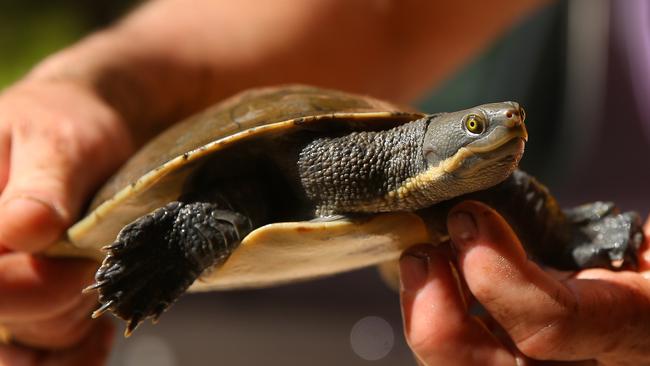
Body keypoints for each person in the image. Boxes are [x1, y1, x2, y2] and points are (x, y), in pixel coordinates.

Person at [0, 1, 648, 365]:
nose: (508, 125)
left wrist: (561, 233)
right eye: (479, 125)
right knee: (224, 213)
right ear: (433, 137)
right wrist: (98, 86)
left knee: (512, 199)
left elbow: (516, 192)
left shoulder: (467, 187)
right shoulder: (325, 160)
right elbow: (388, 15)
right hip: (206, 195)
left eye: (512, 125)